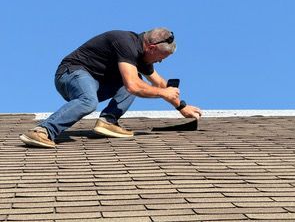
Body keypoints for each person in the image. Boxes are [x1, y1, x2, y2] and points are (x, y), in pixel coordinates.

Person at [20, 27, 202, 148]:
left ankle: (108, 121)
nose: (160, 61)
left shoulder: (142, 56)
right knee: (91, 100)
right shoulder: (125, 43)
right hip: (71, 75)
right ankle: (42, 130)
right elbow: (134, 87)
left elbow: (161, 84)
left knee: (135, 78)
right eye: (161, 56)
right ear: (152, 48)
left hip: (95, 83)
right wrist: (163, 93)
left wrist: (182, 107)